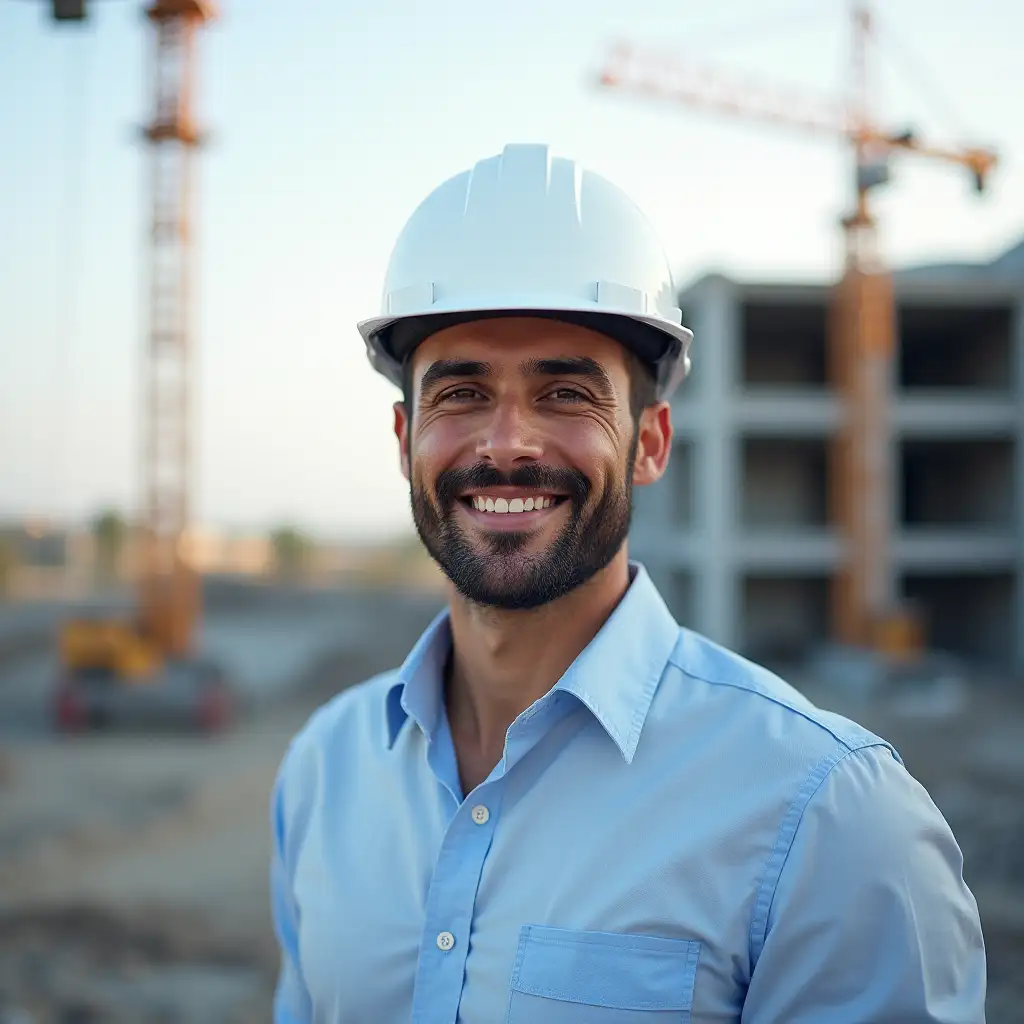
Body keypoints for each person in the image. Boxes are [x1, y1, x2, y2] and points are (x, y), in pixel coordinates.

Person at [269, 143, 986, 1023]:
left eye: (566, 394)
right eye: (459, 392)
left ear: (650, 442)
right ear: (403, 437)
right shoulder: (324, 772)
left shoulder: (828, 819)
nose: (507, 443)